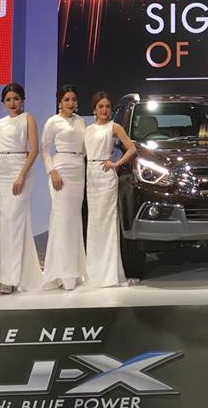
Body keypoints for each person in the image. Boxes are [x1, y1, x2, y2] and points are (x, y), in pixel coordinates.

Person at [85, 91, 137, 287]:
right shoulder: (88, 129)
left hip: (106, 177)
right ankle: (94, 271)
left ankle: (109, 274)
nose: (104, 110)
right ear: (94, 109)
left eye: (107, 106)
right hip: (91, 178)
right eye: (101, 106)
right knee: (94, 224)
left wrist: (116, 163)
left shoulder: (114, 127)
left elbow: (132, 149)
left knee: (107, 224)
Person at [0, 83, 44, 294]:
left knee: (14, 221)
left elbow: (34, 150)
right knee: (7, 223)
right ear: (3, 102)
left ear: (22, 100)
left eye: (16, 98)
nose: (12, 103)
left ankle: (10, 278)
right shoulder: (0, 122)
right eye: (8, 99)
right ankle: (17, 273)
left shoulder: (28, 118)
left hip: (20, 170)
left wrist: (22, 174)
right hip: (2, 171)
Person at [41, 84, 88, 290]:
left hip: (78, 171)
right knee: (61, 220)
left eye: (73, 99)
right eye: (66, 99)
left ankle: (74, 271)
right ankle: (60, 273)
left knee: (74, 220)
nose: (70, 103)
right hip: (60, 170)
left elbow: (85, 149)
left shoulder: (81, 122)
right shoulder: (53, 122)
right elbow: (44, 149)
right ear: (59, 101)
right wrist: (52, 171)